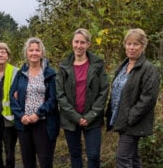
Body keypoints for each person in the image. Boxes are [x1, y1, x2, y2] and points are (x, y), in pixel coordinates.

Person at [106, 28, 160, 168]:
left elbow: (148, 98)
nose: (131, 47)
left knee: (122, 158)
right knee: (133, 159)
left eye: (135, 44)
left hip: (133, 123)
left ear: (143, 46)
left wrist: (130, 117)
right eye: (128, 44)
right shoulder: (123, 66)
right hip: (122, 120)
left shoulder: (148, 69)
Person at [56, 28, 109, 168]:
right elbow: (60, 94)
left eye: (82, 42)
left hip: (93, 118)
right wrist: (75, 117)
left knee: (93, 155)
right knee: (75, 155)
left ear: (88, 44)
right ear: (72, 42)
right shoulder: (64, 66)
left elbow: (103, 91)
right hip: (70, 119)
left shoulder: (97, 65)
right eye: (76, 42)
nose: (79, 46)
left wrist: (90, 116)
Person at [9, 37, 59, 168]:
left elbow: (53, 99)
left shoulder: (49, 74)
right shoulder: (21, 73)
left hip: (43, 123)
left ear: (42, 53)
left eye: (37, 50)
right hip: (24, 124)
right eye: (31, 50)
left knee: (45, 162)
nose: (34, 53)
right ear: (27, 53)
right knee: (28, 162)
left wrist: (37, 114)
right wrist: (21, 116)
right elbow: (12, 97)